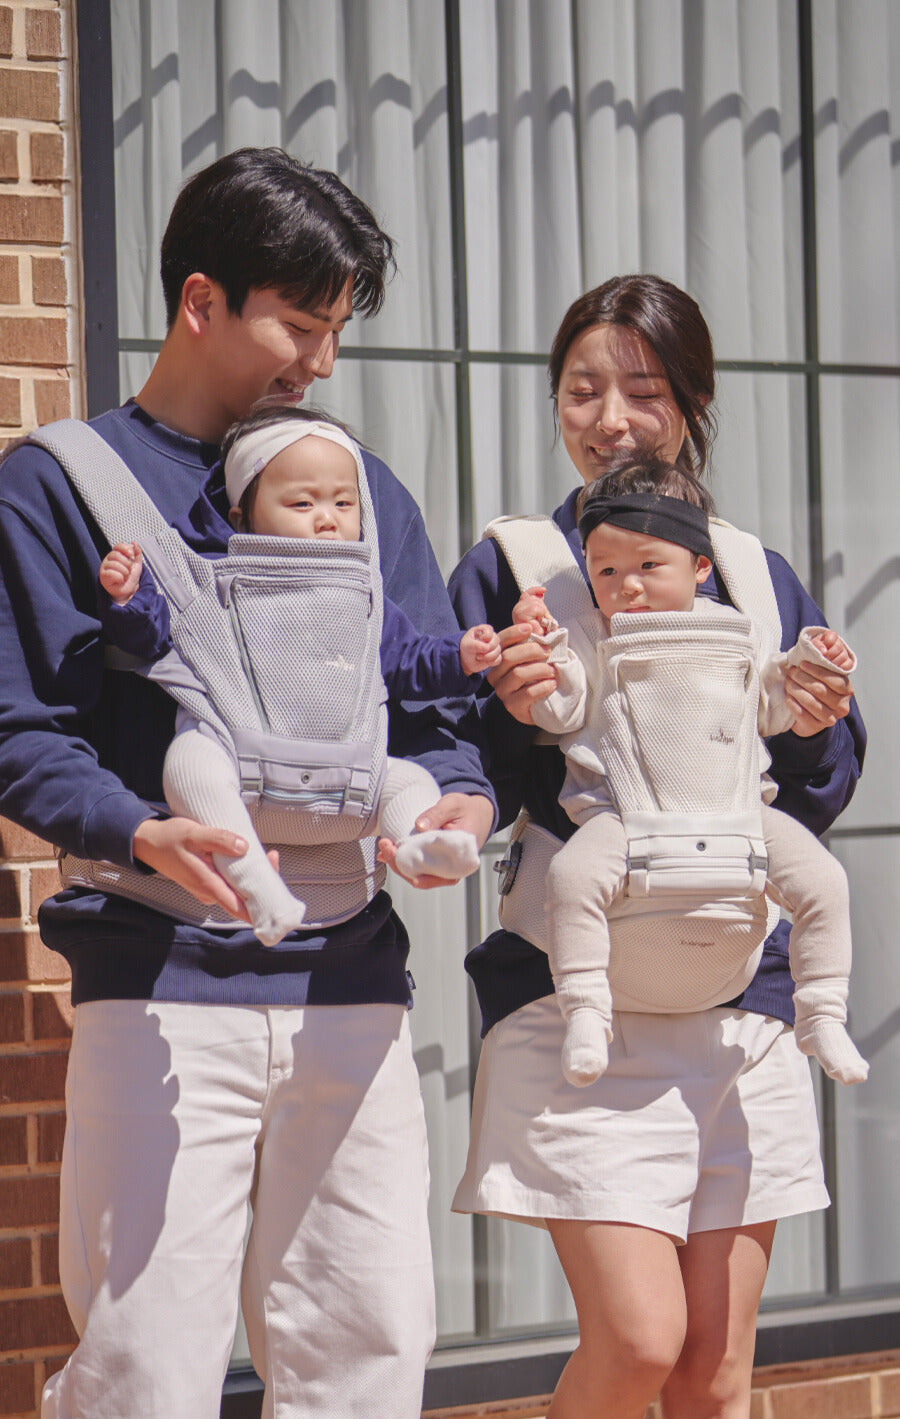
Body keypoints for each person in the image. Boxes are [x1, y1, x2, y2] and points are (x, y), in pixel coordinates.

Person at [0, 147, 496, 1419]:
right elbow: (20, 729)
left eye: (335, 329)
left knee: (368, 1357)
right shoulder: (60, 485)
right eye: (300, 322)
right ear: (201, 300)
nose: (320, 361)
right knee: (143, 1374)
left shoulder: (358, 494)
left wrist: (459, 802)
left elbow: (430, 713)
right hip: (164, 991)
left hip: (353, 984)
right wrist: (139, 827)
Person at [449, 274, 865, 1419]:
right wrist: (519, 706)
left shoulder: (747, 568)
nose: (609, 418)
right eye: (584, 389)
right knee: (637, 1344)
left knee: (714, 1373)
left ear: (690, 404)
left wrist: (818, 719)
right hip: (575, 980)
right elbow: (463, 756)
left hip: (742, 993)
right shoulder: (517, 563)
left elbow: (814, 785)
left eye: (642, 390)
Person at [505, 455, 866, 1090]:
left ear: (701, 567)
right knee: (569, 878)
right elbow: (556, 709)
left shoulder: (740, 630)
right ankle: (586, 1010)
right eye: (606, 569)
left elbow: (776, 703)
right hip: (625, 824)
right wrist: (544, 646)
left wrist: (814, 657)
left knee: (826, 884)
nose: (628, 586)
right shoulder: (592, 637)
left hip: (739, 820)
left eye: (649, 566)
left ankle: (823, 1011)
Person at [97, 404, 501, 945]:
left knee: (411, 782)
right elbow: (158, 640)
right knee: (188, 766)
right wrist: (130, 598)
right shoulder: (217, 582)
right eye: (302, 502)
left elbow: (410, 662)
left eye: (343, 502)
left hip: (349, 782)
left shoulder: (367, 600)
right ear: (241, 515)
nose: (327, 517)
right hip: (240, 769)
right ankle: (259, 888)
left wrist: (460, 657)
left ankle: (420, 844)